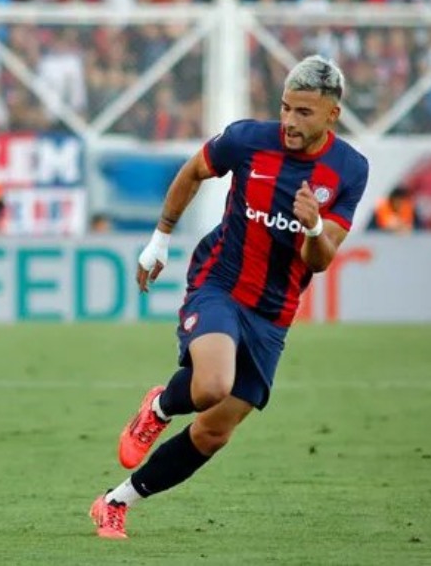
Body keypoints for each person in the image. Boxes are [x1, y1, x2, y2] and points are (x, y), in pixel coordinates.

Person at [90, 55, 369, 539]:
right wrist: (160, 238)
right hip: (219, 283)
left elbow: (320, 261)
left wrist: (314, 226)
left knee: (214, 432)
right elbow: (195, 170)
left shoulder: (349, 169)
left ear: (331, 114)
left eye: (303, 112)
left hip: (274, 312)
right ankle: (158, 408)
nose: (289, 121)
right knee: (212, 385)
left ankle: (115, 501)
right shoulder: (247, 140)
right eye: (285, 108)